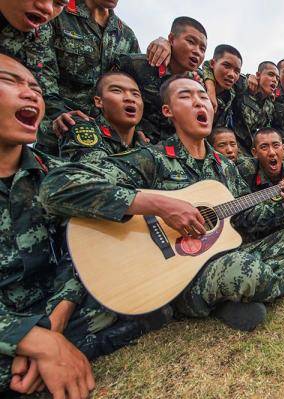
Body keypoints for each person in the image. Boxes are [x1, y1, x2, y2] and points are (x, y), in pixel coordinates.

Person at [40, 75, 284, 332]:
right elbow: (57, 186)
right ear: (167, 111)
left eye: (203, 97)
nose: (198, 101)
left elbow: (245, 217)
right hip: (177, 274)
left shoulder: (225, 167)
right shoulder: (152, 158)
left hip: (220, 255)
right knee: (245, 269)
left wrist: (283, 204)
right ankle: (280, 281)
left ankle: (227, 296)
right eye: (186, 96)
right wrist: (157, 204)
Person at [0, 54, 158, 398]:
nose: (30, 94)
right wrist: (34, 339)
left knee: (131, 289)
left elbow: (79, 245)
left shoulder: (52, 172)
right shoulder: (85, 144)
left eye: (36, 88)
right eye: (10, 81)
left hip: (52, 306)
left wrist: (54, 324)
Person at [40, 0, 141, 155]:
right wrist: (57, 113)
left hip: (109, 142)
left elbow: (134, 85)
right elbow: (41, 69)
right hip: (58, 131)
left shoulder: (125, 34)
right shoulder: (58, 14)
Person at [115, 16, 207, 144]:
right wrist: (131, 129)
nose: (197, 52)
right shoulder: (138, 65)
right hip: (128, 142)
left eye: (202, 49)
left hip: (173, 152)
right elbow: (107, 96)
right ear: (171, 39)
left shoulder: (198, 84)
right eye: (191, 42)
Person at [59, 71, 146, 162]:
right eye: (117, 91)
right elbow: (95, 170)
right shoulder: (84, 129)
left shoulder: (146, 145)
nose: (130, 98)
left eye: (135, 94)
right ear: (99, 101)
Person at [236, 128, 284, 193]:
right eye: (264, 147)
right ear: (255, 153)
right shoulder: (244, 171)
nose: (272, 152)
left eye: (276, 145)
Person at [202, 44, 243, 129]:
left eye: (237, 71)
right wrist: (210, 89)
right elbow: (206, 64)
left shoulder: (235, 88)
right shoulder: (196, 83)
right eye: (226, 66)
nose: (232, 75)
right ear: (213, 63)